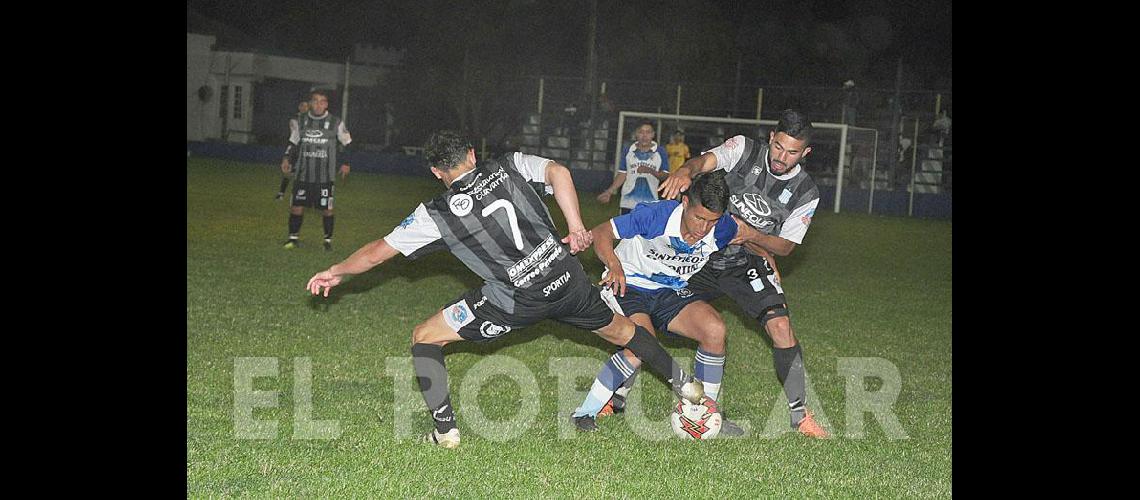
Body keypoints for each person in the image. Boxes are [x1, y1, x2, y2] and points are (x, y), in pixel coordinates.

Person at [305, 130, 705, 449]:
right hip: (567, 279)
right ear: (473, 155)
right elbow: (559, 173)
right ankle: (685, 384)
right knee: (623, 332)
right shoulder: (510, 165)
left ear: (437, 172)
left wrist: (337, 271)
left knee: (424, 337)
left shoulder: (436, 213)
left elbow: (378, 252)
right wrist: (577, 227)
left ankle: (445, 432)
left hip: (517, 301)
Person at [657, 109, 829, 438]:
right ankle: (613, 397)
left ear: (805, 153)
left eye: (792, 152)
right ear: (770, 138)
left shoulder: (807, 192)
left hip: (747, 260)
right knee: (648, 310)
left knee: (781, 327)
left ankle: (799, 416)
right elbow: (705, 162)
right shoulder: (744, 149)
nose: (782, 157)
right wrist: (684, 170)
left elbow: (785, 247)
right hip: (702, 254)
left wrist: (750, 234)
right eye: (778, 147)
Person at [570, 170, 759, 437]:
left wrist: (767, 258)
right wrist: (614, 266)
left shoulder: (724, 227)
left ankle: (705, 411)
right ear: (684, 203)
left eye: (712, 221)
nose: (703, 228)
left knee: (714, 329)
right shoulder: (655, 216)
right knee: (641, 344)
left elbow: (749, 238)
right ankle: (585, 412)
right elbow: (601, 232)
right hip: (629, 284)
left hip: (671, 290)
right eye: (698, 218)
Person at [281, 89, 352, 251]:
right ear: (310, 103)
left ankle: (327, 241)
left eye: (322, 101)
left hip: (325, 176)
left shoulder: (336, 122)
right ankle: (293, 238)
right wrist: (286, 158)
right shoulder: (301, 120)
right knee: (296, 206)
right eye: (315, 101)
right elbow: (293, 143)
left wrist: (346, 163)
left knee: (327, 209)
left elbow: (347, 143)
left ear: (326, 104)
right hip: (302, 173)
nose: (318, 104)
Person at [597, 120, 669, 215]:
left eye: (648, 132)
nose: (644, 136)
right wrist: (609, 192)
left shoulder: (660, 152)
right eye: (641, 132)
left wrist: (650, 171)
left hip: (650, 202)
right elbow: (622, 173)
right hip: (628, 202)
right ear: (636, 134)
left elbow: (665, 175)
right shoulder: (628, 150)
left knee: (645, 230)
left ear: (653, 134)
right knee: (626, 229)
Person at [276, 99, 310, 200]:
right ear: (299, 108)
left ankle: (299, 195)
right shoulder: (294, 119)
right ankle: (281, 193)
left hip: (305, 147)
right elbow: (297, 131)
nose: (304, 108)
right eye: (302, 106)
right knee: (288, 171)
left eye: (306, 106)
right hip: (294, 146)